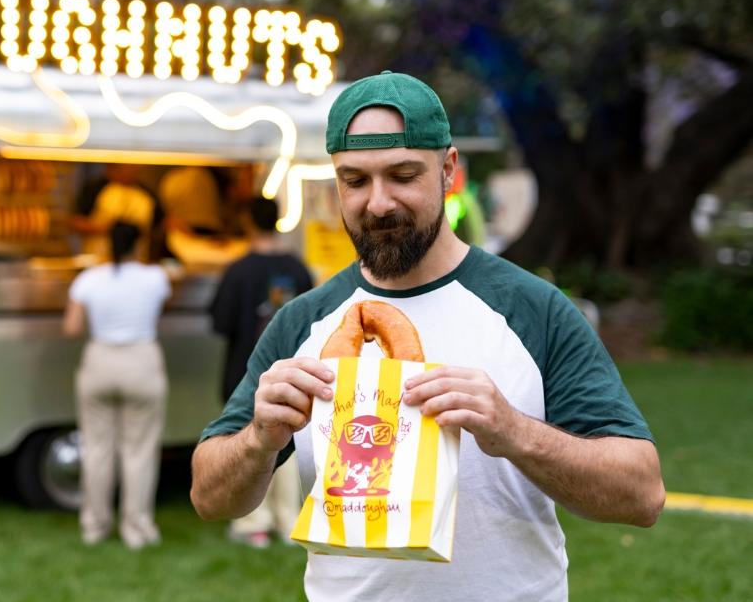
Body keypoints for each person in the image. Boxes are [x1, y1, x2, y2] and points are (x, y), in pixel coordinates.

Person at [190, 72, 664, 601]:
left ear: (448, 171)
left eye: (402, 174)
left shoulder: (533, 310)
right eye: (355, 180)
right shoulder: (304, 321)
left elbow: (641, 494)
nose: (379, 203)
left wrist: (513, 431)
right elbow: (210, 497)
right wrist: (259, 438)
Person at [210, 196, 313, 548]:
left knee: (249, 446)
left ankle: (253, 523)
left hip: (244, 373)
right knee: (287, 445)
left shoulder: (238, 270)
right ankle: (289, 521)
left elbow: (220, 321)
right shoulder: (298, 268)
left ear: (248, 223)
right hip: (295, 374)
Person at [63, 221, 172, 549]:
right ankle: (136, 528)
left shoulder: (89, 280)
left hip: (100, 359)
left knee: (97, 449)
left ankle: (94, 526)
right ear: (138, 244)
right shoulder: (155, 278)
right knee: (138, 450)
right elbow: (162, 308)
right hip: (141, 360)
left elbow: (71, 327)